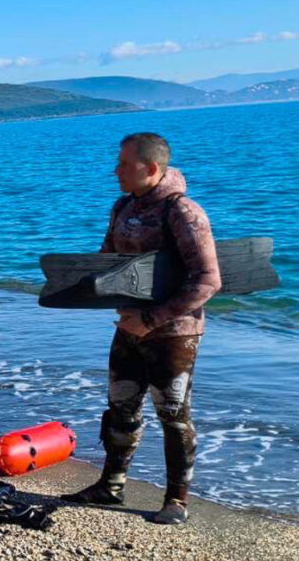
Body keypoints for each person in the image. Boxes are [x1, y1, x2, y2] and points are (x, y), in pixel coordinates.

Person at [63, 133, 220, 526]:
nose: (115, 170)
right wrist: (70, 284)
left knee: (173, 416)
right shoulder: (123, 207)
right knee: (120, 406)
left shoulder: (183, 211)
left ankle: (176, 501)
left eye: (123, 163)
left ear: (150, 168)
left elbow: (207, 281)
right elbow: (106, 262)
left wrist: (150, 320)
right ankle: (110, 486)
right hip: (129, 327)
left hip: (173, 333)